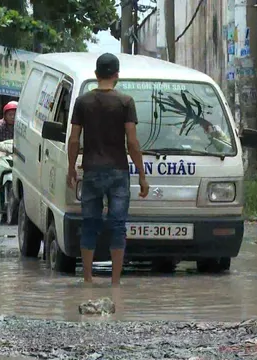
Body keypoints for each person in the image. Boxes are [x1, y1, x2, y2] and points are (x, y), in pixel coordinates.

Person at [67, 53, 149, 285]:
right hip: (118, 172)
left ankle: (87, 280)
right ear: (116, 75)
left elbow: (74, 140)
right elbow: (132, 143)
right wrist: (142, 175)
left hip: (91, 170)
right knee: (117, 226)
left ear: (96, 75)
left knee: (90, 224)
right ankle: (115, 282)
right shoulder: (125, 102)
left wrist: (71, 168)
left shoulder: (82, 102)